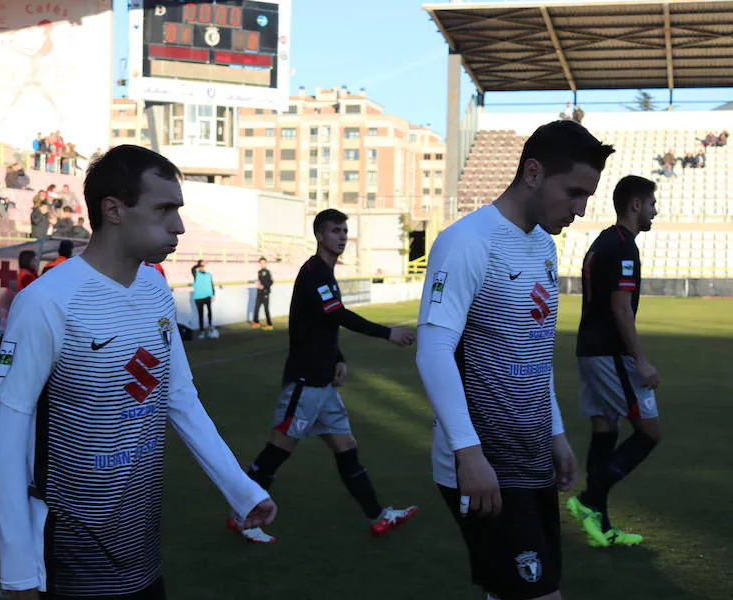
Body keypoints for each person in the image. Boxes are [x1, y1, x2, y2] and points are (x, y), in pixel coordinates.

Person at [0, 144, 276, 599]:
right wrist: (18, 569)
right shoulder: (47, 301)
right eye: (164, 209)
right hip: (69, 547)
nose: (178, 225)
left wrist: (241, 490)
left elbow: (179, 397)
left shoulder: (157, 291)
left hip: (140, 539)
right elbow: (8, 425)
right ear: (114, 210)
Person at [415, 120, 614, 600]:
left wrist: (557, 435)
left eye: (588, 196)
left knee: (510, 592)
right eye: (573, 193)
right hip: (483, 463)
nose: (580, 209)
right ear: (532, 172)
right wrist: (469, 453)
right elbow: (434, 350)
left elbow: (534, 353)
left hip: (531, 458)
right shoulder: (467, 241)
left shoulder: (544, 246)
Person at [231, 209, 418, 544]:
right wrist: (387, 333)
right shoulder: (314, 271)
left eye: (345, 230)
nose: (342, 236)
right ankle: (241, 516)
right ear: (320, 235)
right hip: (305, 383)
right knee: (276, 451)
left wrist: (339, 357)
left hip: (323, 385)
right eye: (336, 230)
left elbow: (323, 324)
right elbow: (337, 314)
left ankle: (378, 517)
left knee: (347, 448)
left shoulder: (325, 273)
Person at [567, 176, 660, 549]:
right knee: (650, 433)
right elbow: (620, 308)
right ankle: (589, 501)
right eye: (652, 203)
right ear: (635, 205)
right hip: (610, 354)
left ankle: (600, 526)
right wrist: (641, 361)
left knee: (605, 431)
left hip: (589, 349)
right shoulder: (622, 248)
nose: (656, 210)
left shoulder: (604, 242)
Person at [193, 260, 217, 339]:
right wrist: (199, 264)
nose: (203, 267)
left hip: (207, 296)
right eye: (202, 266)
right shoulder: (196, 274)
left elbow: (211, 284)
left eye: (204, 266)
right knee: (201, 315)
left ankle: (210, 327)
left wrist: (213, 294)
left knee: (209, 312)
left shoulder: (209, 274)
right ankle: (202, 331)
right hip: (199, 297)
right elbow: (193, 269)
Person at [251, 256, 273, 330]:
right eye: (261, 263)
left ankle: (269, 324)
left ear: (266, 263)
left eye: (263, 262)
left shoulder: (267, 272)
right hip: (259, 292)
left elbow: (271, 282)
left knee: (266, 309)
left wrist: (264, 287)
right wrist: (258, 284)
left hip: (265, 292)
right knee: (256, 307)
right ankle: (256, 322)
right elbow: (260, 281)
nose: (262, 264)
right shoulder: (259, 272)